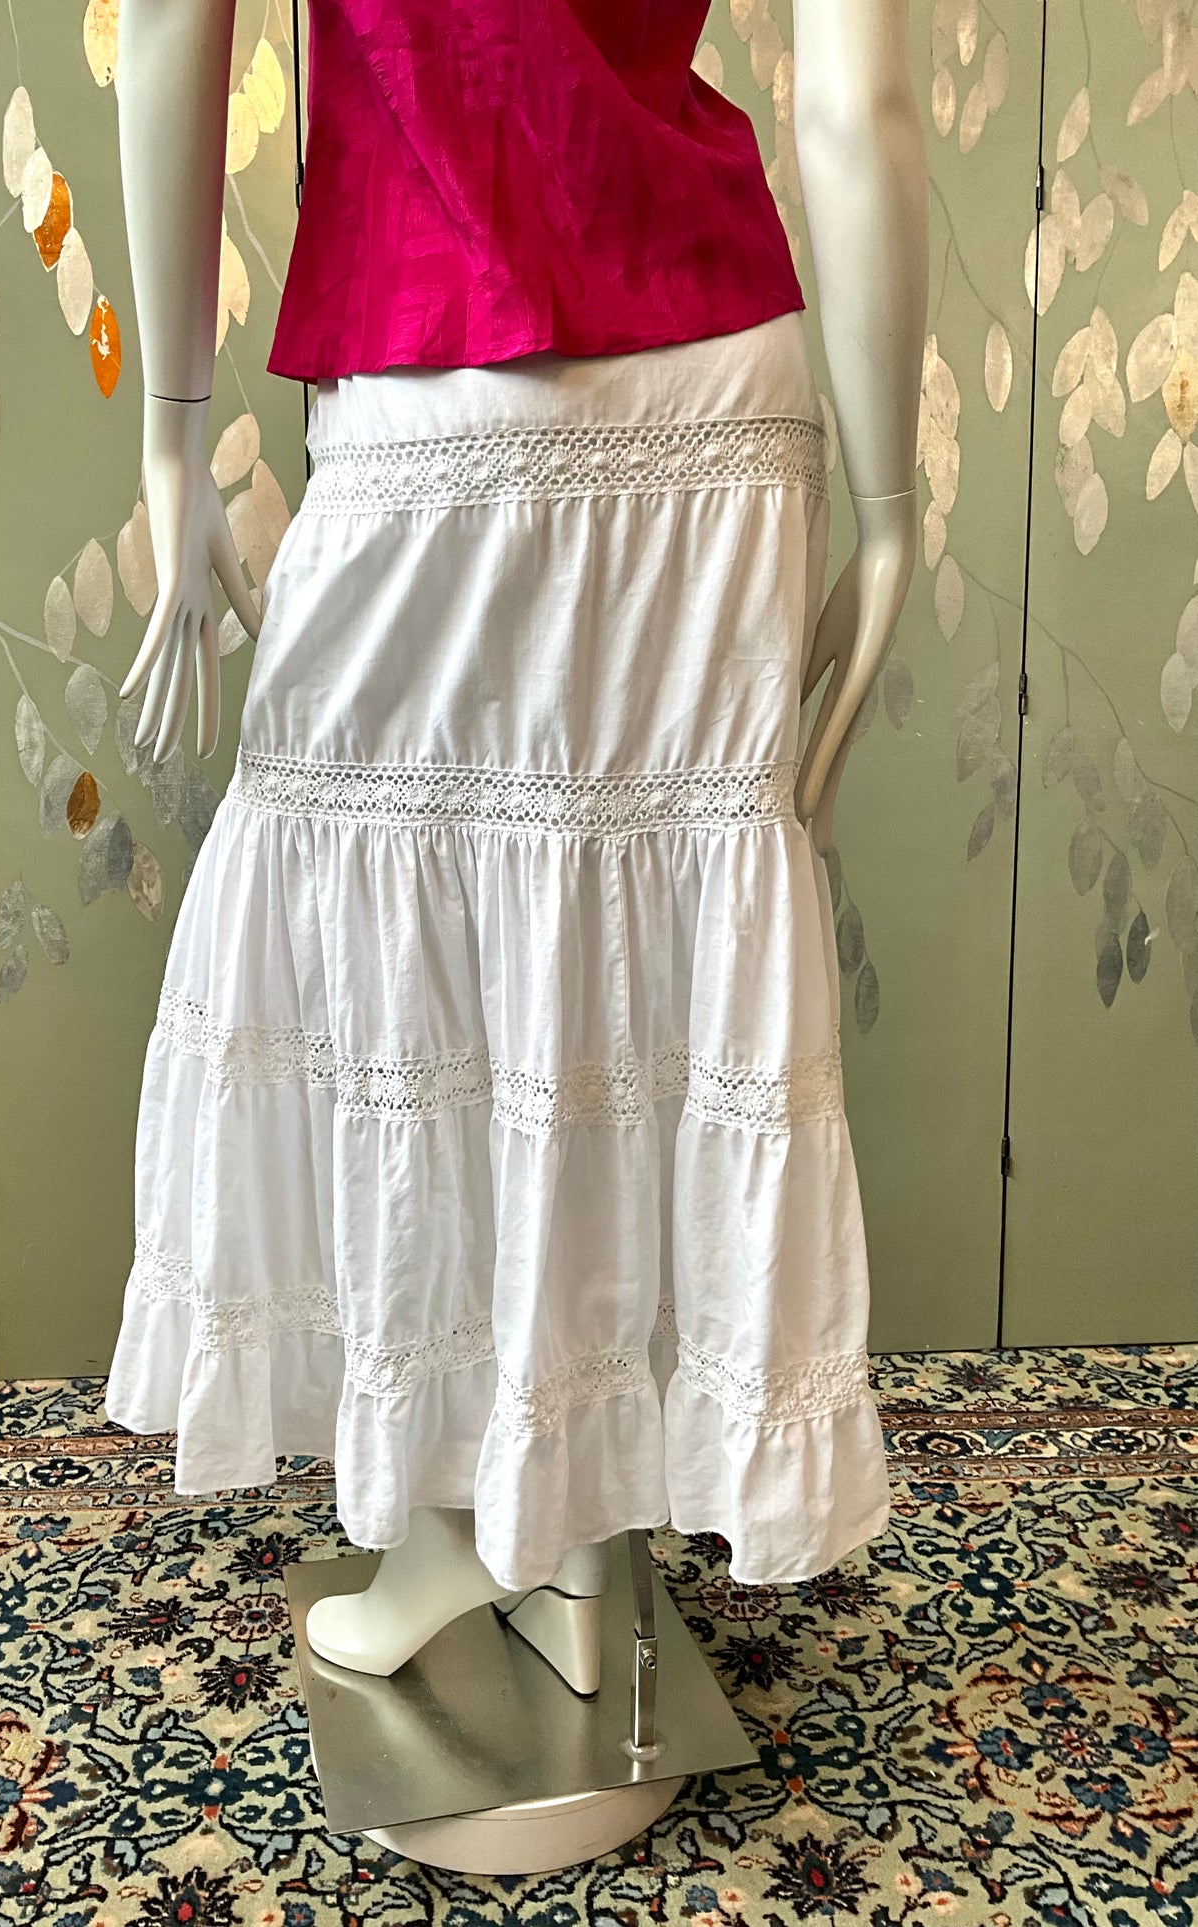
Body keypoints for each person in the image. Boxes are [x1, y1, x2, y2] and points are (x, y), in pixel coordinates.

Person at [104, 0, 927, 1684]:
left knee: (406, 979)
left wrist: (172, 431)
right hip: (719, 381)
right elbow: (859, 103)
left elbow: (176, 20)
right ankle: (567, 1552)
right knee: (620, 980)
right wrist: (893, 507)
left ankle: (467, 1535)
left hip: (442, 363)